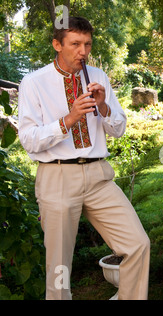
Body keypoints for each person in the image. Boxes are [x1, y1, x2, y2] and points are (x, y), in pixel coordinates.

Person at [18, 17, 150, 300]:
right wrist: (69, 119)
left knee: (137, 244)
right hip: (57, 178)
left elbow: (119, 129)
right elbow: (28, 140)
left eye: (87, 44)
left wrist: (103, 107)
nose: (83, 51)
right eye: (75, 44)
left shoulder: (98, 77)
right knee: (60, 267)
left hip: (99, 176)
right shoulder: (34, 82)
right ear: (57, 45)